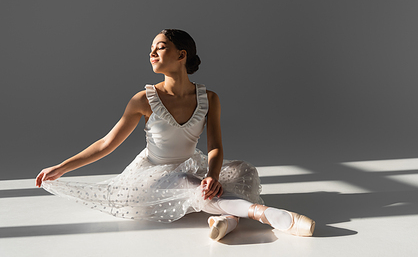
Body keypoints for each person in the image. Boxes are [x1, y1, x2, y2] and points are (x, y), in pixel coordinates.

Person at [36, 29, 315, 241]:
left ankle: (227, 220)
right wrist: (61, 167)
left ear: (182, 55)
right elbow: (106, 144)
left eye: (161, 48)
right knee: (187, 181)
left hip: (193, 164)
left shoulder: (210, 98)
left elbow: (215, 146)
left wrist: (212, 175)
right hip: (153, 176)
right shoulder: (143, 100)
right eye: (150, 50)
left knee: (240, 173)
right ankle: (267, 215)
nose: (152, 54)